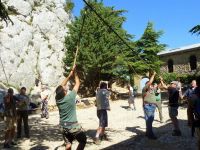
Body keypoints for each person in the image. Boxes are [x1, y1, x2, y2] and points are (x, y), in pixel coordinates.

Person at [55, 67, 87, 150]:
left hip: (63, 126)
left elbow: (61, 86)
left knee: (68, 143)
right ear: (64, 92)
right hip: (72, 126)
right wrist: (75, 72)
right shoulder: (70, 97)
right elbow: (77, 83)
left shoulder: (58, 99)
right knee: (83, 140)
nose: (65, 86)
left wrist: (69, 75)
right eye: (64, 88)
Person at [142, 72, 157, 139]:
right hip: (148, 106)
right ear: (147, 85)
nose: (151, 86)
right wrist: (153, 75)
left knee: (148, 120)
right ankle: (150, 134)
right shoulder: (144, 90)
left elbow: (159, 87)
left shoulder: (152, 90)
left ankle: (148, 132)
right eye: (149, 85)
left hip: (152, 106)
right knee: (150, 119)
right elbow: (150, 82)